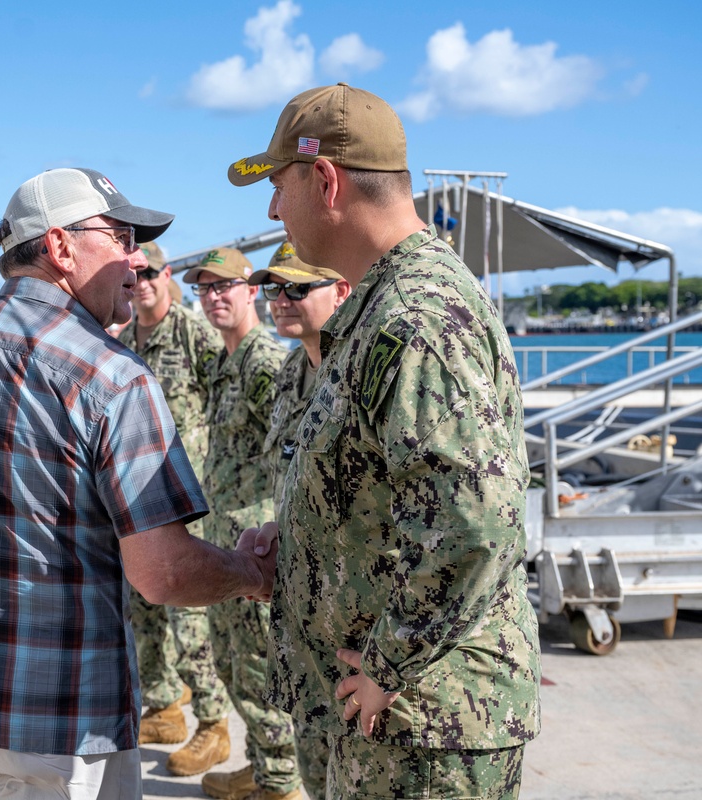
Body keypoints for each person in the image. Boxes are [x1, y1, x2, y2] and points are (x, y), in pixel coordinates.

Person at [0, 167, 278, 800]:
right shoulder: (113, 376)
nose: (135, 258)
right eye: (120, 236)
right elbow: (164, 573)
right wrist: (254, 575)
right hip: (62, 725)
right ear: (61, 248)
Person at [228, 83, 542, 798]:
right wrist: (302, 535)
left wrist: (388, 664)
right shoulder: (382, 305)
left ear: (327, 180)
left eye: (279, 186)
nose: (273, 209)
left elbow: (476, 525)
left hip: (427, 721)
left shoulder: (415, 319)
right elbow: (394, 489)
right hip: (398, 720)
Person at [183, 249, 301, 800]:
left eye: (225, 286)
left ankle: (280, 782)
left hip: (257, 546)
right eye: (204, 290)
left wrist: (276, 534)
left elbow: (292, 458)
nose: (214, 298)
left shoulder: (262, 362)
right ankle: (261, 765)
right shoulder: (226, 362)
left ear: (250, 290)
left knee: (258, 668)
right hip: (227, 540)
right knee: (233, 665)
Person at [118, 241, 235, 777]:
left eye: (150, 274)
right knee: (142, 609)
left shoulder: (193, 333)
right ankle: (165, 708)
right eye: (132, 274)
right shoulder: (124, 335)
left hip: (187, 498)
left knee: (190, 621)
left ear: (166, 277)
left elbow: (226, 400)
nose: (141, 283)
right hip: (140, 496)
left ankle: (213, 725)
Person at [247, 242, 349, 800]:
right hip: (306, 619)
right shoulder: (293, 370)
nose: (280, 300)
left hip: (358, 625)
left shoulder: (359, 370)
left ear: (342, 290)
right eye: (273, 288)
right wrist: (278, 528)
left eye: (296, 288)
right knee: (314, 774)